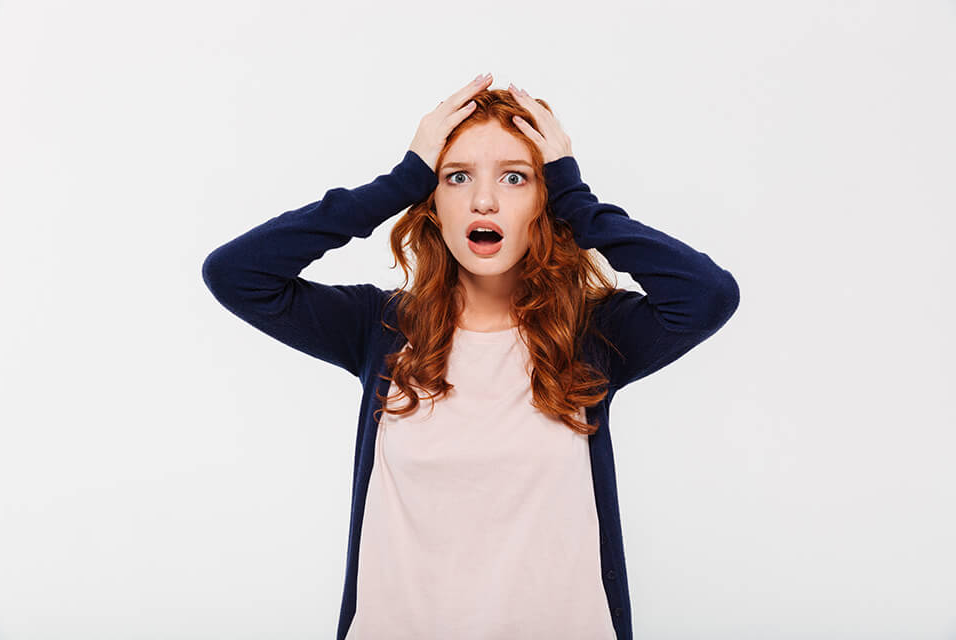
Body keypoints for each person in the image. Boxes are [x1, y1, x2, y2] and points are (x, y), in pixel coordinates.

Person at [201, 72, 740, 640]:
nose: (483, 200)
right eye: (456, 177)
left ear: (545, 197)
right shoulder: (381, 328)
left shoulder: (592, 332)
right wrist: (397, 182)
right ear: (432, 201)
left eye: (515, 178)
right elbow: (236, 274)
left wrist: (577, 200)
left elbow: (707, 295)